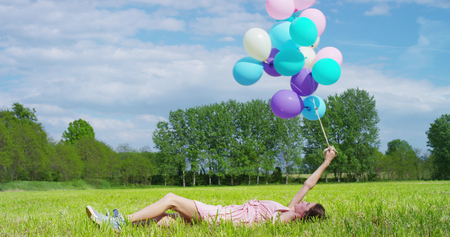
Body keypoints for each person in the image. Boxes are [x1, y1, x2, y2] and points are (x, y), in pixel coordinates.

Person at [86, 145, 337, 232]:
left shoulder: (287, 216)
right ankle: (126, 229)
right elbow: (308, 184)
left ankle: (117, 222)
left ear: (304, 215)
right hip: (222, 218)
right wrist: (326, 162)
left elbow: (270, 223)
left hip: (222, 216)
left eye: (308, 204)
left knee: (171, 198)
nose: (304, 201)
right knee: (166, 221)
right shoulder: (287, 209)